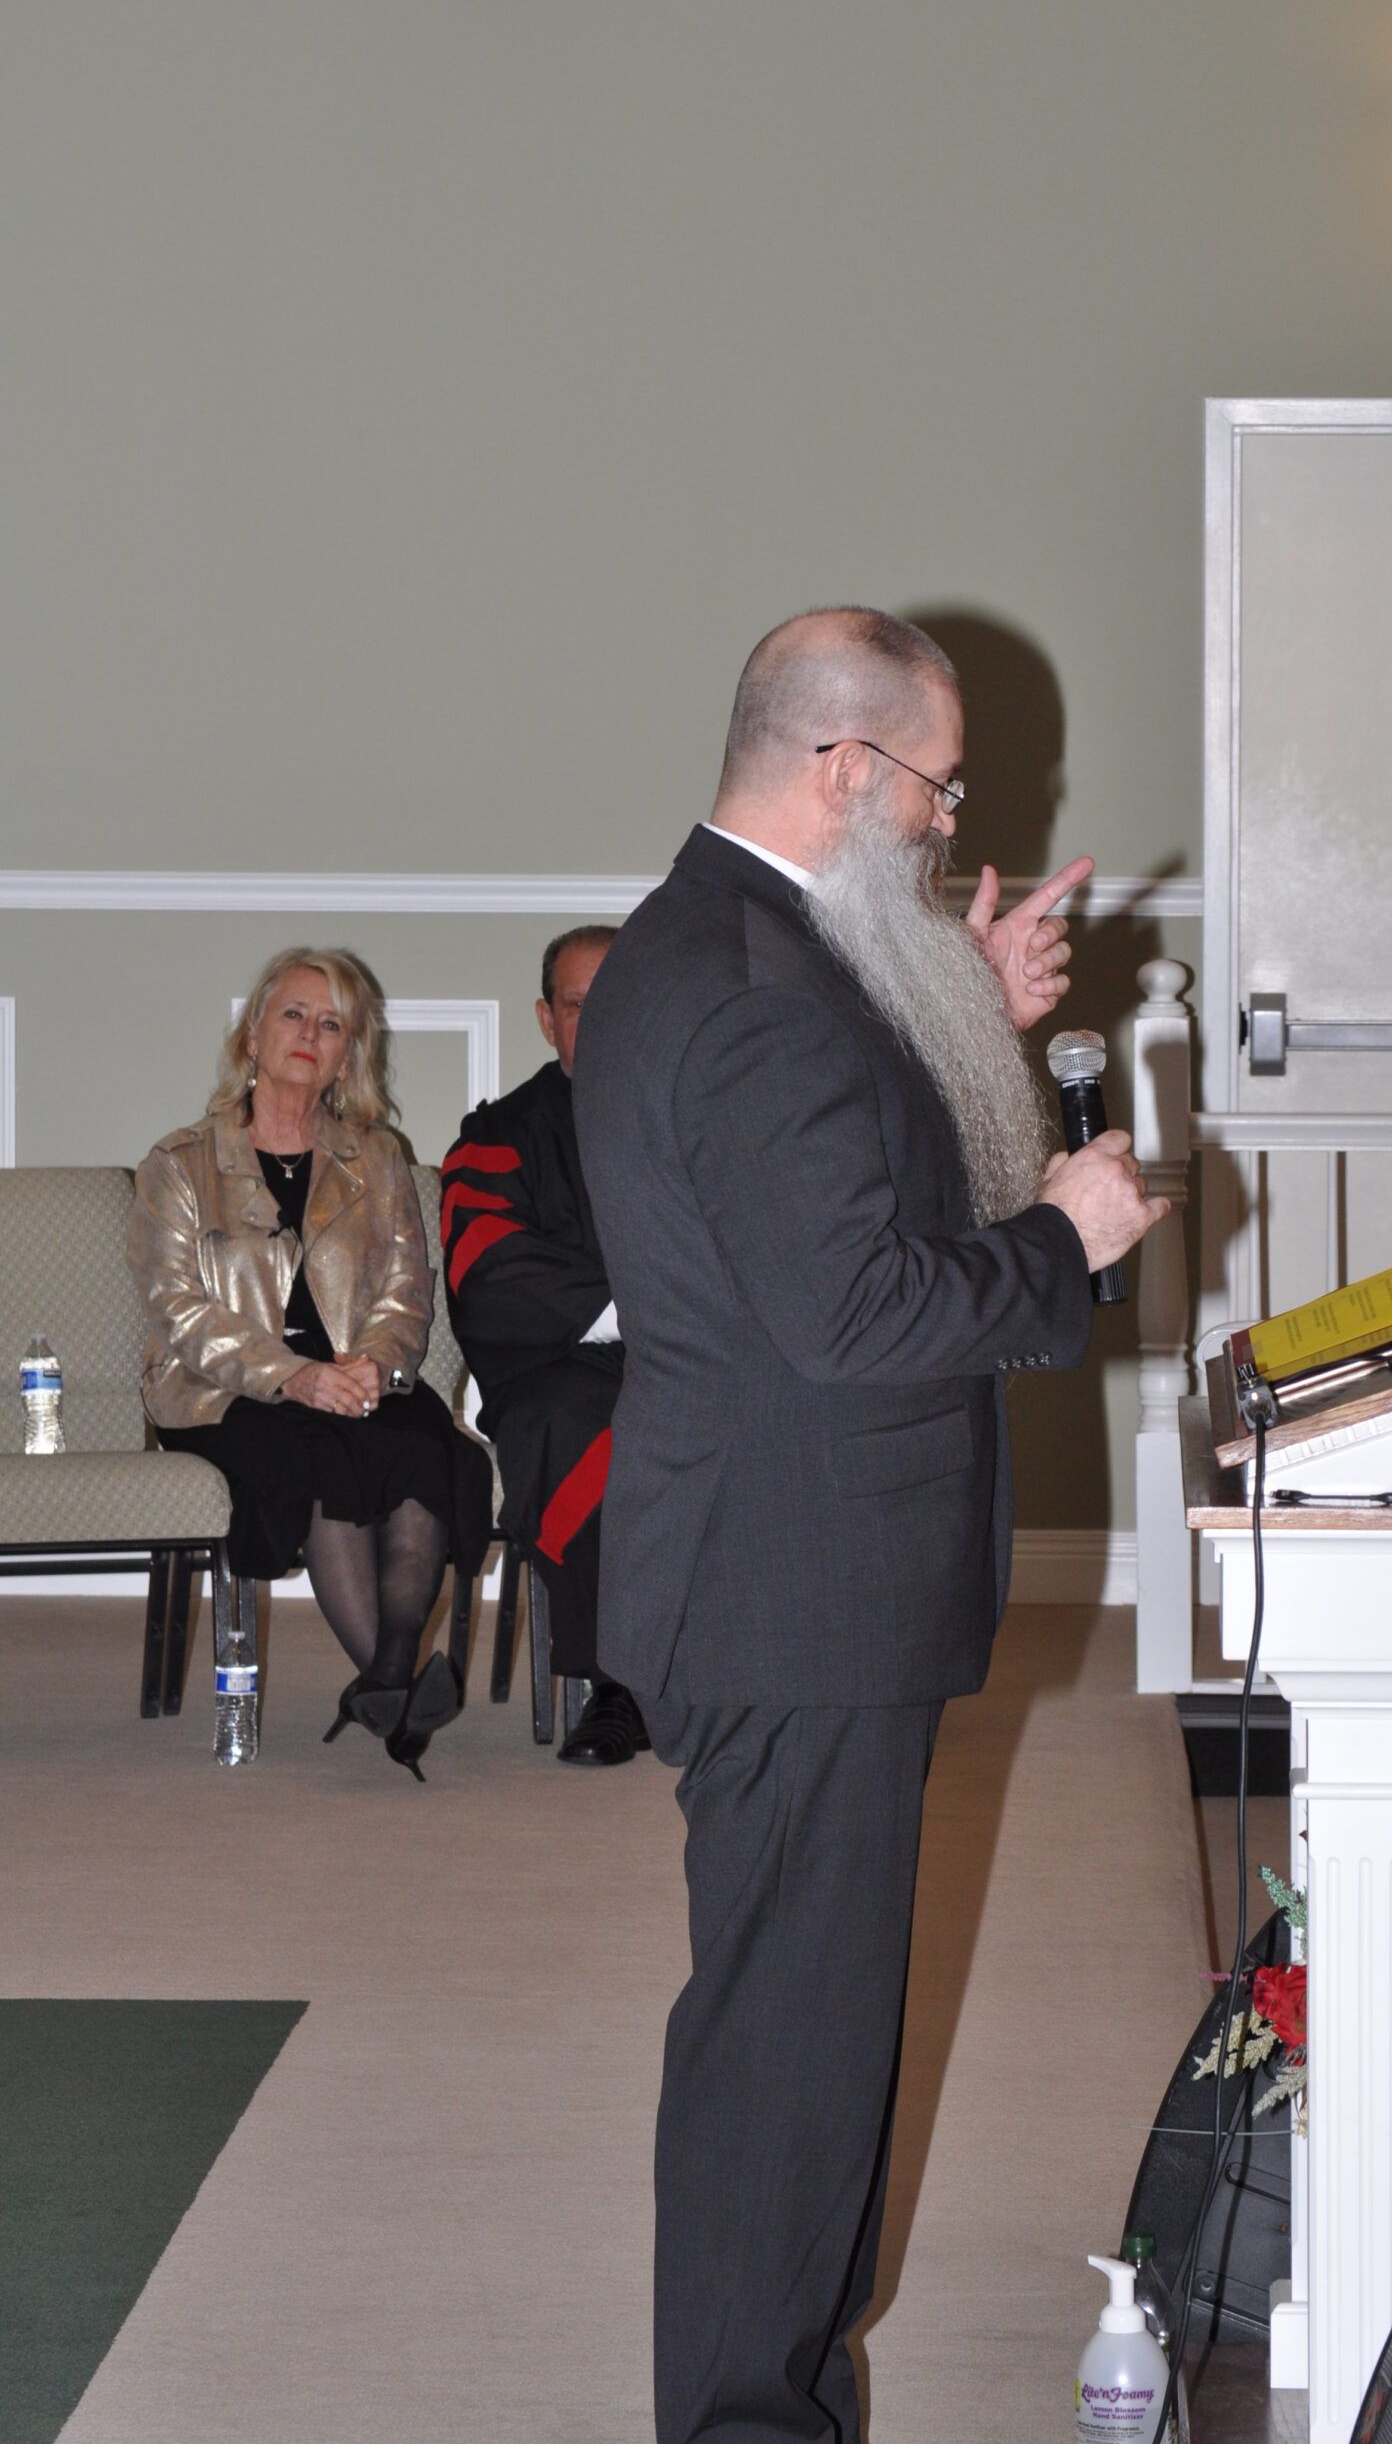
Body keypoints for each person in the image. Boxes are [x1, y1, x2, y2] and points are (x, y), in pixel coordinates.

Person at [573, 607, 1166, 2443]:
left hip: (786, 1570)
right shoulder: (758, 994)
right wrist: (1068, 1238)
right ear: (842, 770)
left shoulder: (763, 954)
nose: (942, 820)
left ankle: (778, 2390)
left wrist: (966, 1016)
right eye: (932, 785)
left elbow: (855, 1193)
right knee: (786, 2068)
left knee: (800, 2051)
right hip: (795, 1588)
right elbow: (857, 1314)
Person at [129, 948, 492, 1778]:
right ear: (253, 1035)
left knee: (421, 1446)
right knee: (323, 1458)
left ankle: (387, 1682)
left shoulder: (380, 1159)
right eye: (293, 1014)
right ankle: (395, 1689)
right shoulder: (180, 1164)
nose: (309, 1033)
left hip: (357, 1375)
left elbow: (408, 1289)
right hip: (228, 1390)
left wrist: (372, 1365)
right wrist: (293, 1376)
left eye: (332, 1024)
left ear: (347, 1054)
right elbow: (178, 1307)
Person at [441, 925, 648, 1767]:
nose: (598, 1022)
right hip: (557, 1365)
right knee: (585, 1420)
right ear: (544, 1018)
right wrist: (628, 1312)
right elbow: (486, 1265)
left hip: (699, 1358)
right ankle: (621, 1685)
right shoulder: (500, 1134)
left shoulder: (698, 1118)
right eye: (577, 1005)